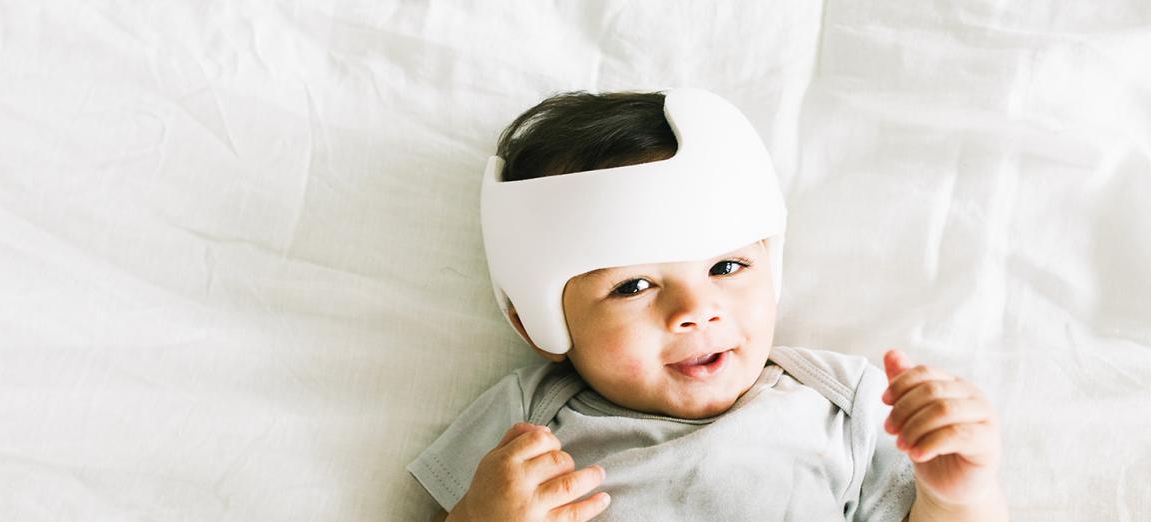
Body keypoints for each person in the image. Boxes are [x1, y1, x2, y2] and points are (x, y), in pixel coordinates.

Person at [407, 88, 1007, 521]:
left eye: (727, 266)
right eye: (633, 286)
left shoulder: (838, 403)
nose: (697, 311)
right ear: (537, 321)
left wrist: (956, 497)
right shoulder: (527, 420)